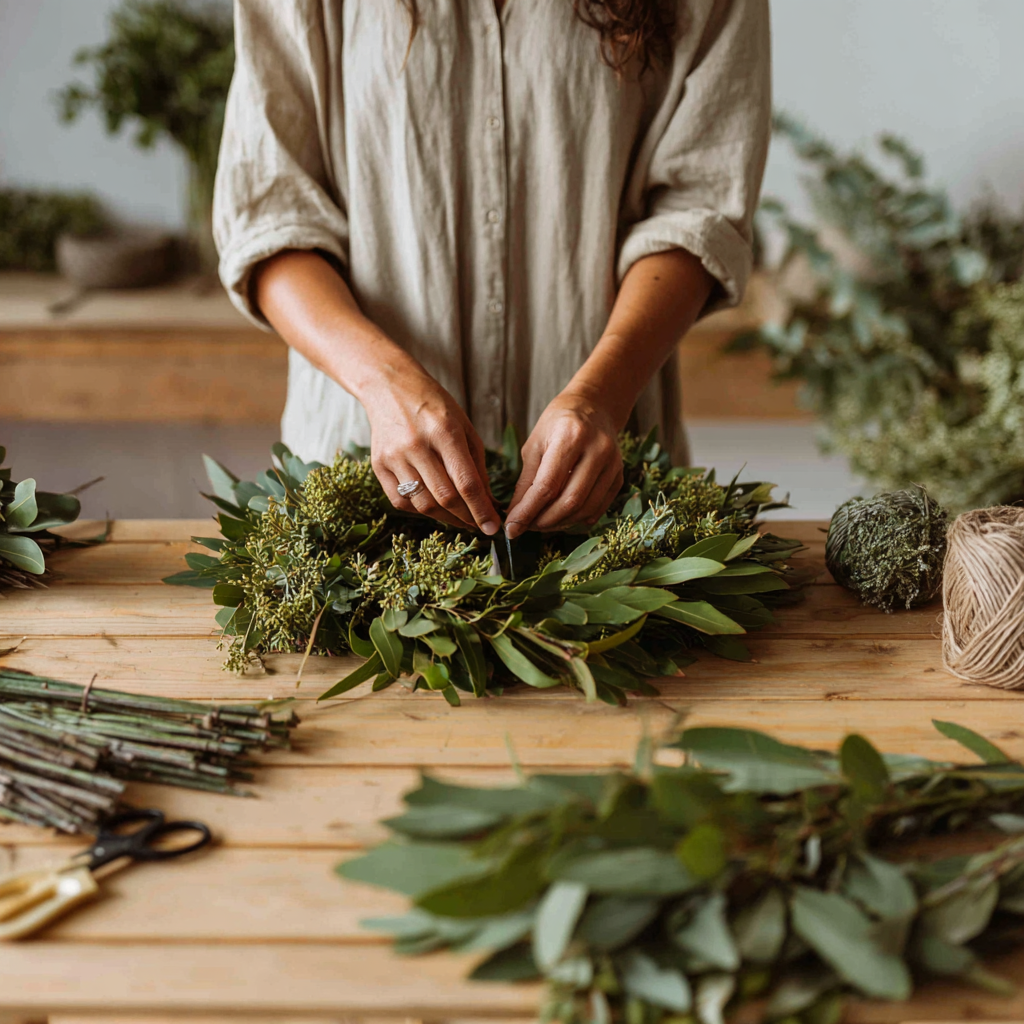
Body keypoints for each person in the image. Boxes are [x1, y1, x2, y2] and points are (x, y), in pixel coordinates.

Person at [214, 0, 770, 540]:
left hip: (607, 511)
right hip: (356, 508)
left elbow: (699, 212)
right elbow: (270, 216)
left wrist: (601, 396)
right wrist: (381, 385)